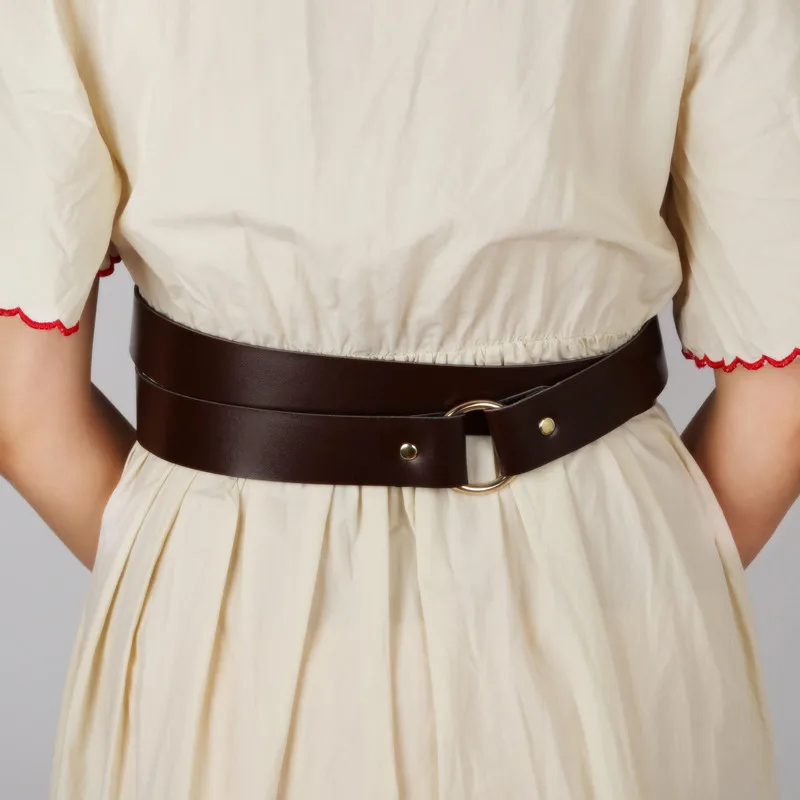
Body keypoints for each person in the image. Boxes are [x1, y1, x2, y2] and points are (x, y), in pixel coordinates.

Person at [1, 1, 798, 798]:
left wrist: (192, 567)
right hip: (607, 594)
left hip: (229, 611)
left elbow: (25, 412)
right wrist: (633, 570)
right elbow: (780, 412)